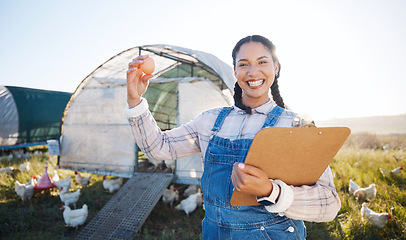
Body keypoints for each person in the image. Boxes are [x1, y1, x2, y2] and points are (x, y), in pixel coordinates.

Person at [124, 35, 341, 239]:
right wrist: (136, 101)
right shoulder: (209, 121)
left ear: (276, 67)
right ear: (234, 72)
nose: (253, 72)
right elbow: (158, 147)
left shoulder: (295, 126)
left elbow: (328, 204)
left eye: (262, 62)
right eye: (244, 64)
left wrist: (270, 191)